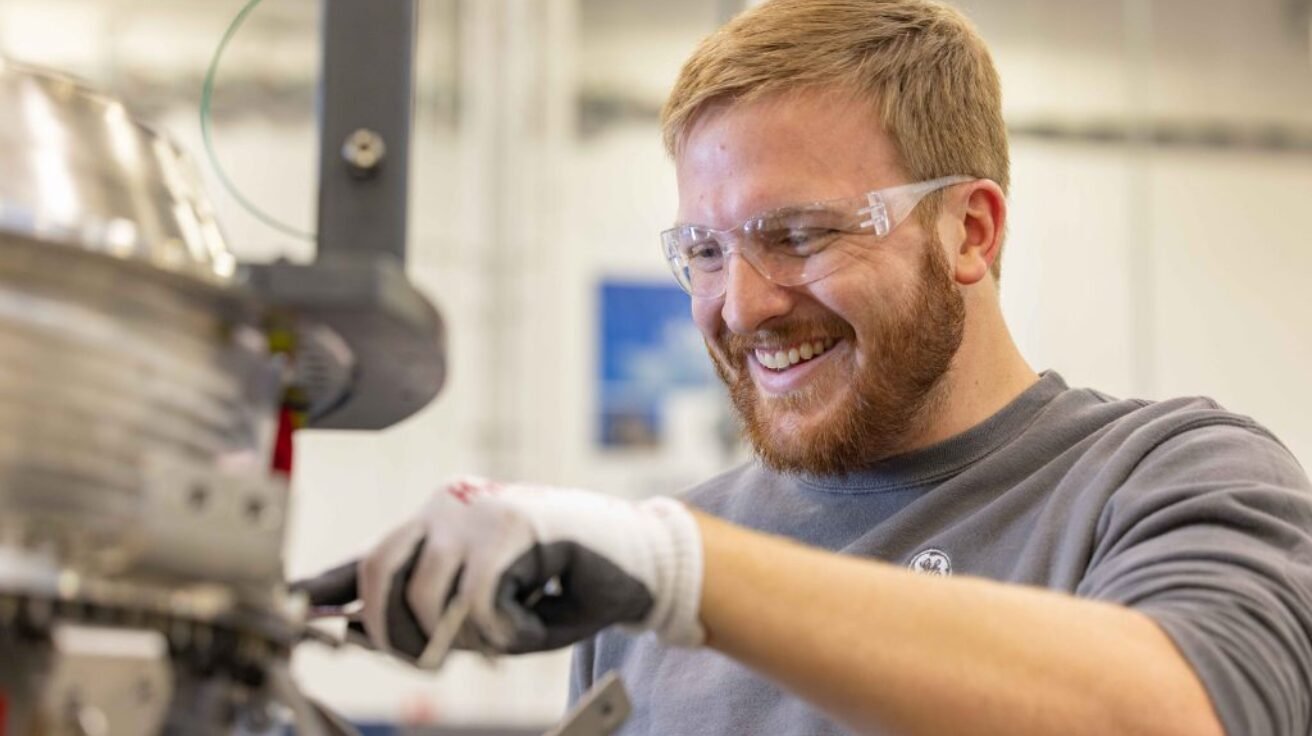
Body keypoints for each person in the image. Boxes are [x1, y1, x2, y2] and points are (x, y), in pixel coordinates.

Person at [299, 0, 1312, 733]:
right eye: (702, 250)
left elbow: (1185, 713)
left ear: (968, 229)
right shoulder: (643, 582)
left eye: (798, 234)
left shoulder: (1163, 480)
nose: (740, 305)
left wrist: (678, 569)